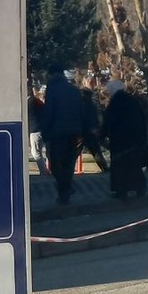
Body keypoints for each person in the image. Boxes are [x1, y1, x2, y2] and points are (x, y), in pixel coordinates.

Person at [41, 68, 84, 203]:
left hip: (57, 132)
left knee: (55, 165)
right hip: (74, 131)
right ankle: (66, 189)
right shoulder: (74, 90)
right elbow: (81, 111)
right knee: (69, 163)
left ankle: (64, 189)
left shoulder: (52, 90)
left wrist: (45, 131)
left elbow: (49, 112)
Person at [103, 78, 148, 198]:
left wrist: (102, 135)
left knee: (119, 167)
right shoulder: (133, 101)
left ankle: (121, 191)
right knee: (135, 165)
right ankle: (140, 188)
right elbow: (142, 118)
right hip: (136, 139)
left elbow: (109, 121)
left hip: (120, 140)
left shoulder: (115, 103)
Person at [79, 83, 109, 174]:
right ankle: (105, 168)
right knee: (96, 151)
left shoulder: (81, 104)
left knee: (74, 153)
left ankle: (66, 170)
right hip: (91, 130)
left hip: (83, 130)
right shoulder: (92, 104)